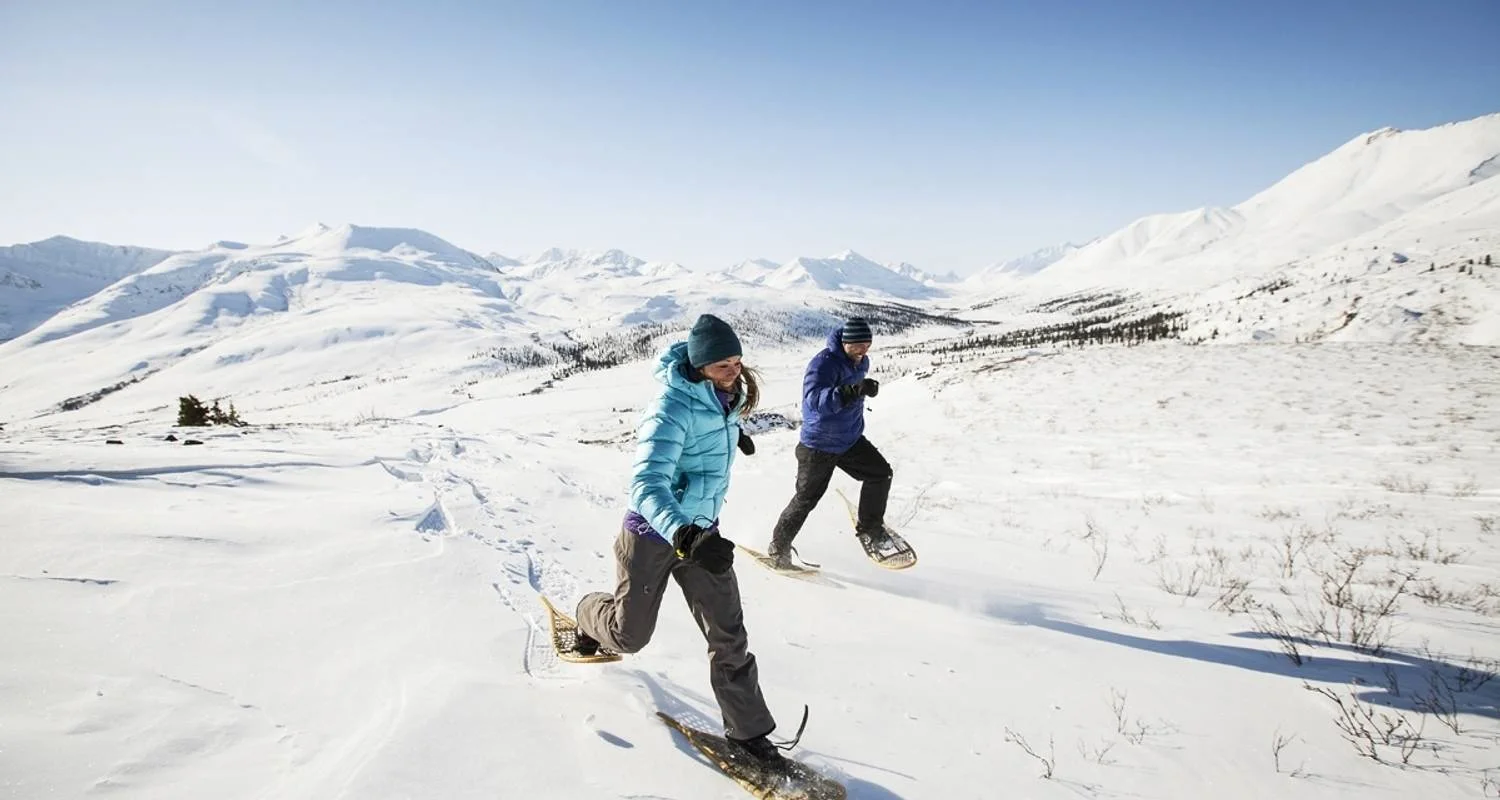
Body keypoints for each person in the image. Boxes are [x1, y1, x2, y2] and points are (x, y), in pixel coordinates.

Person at [573, 313, 784, 766]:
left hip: (702, 536)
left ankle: (748, 735)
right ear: (699, 366)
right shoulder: (670, 408)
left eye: (737, 360)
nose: (735, 370)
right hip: (653, 535)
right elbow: (647, 484)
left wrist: (734, 437)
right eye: (723, 364)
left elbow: (704, 436)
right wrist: (683, 532)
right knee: (628, 637)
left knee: (729, 636)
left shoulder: (726, 397)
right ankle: (588, 613)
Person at [767, 317, 894, 568]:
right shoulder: (823, 363)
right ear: (845, 342)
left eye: (867, 345)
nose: (863, 350)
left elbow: (854, 391)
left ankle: (870, 528)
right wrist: (852, 391)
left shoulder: (861, 361)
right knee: (807, 498)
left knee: (881, 474)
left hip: (848, 439)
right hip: (819, 445)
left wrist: (862, 390)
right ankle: (778, 547)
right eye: (857, 345)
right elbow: (814, 401)